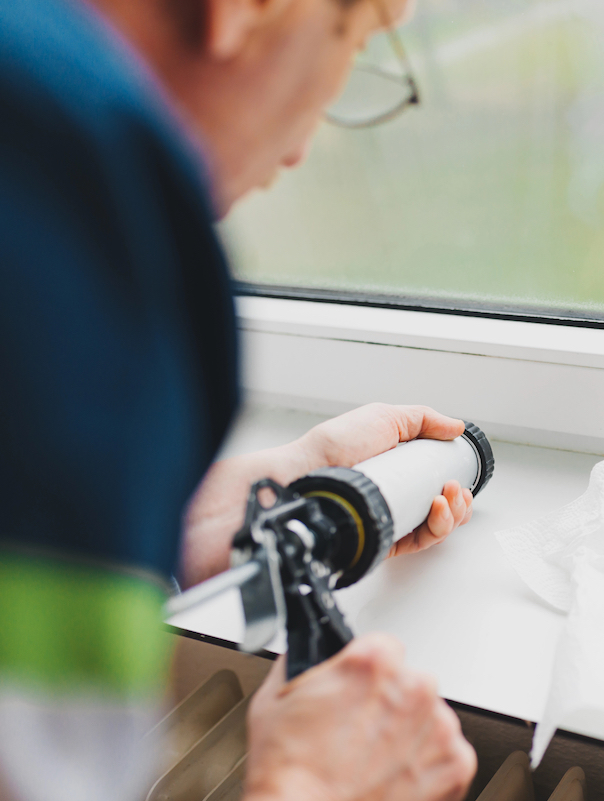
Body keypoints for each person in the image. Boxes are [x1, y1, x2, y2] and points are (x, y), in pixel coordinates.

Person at [0, 0, 478, 799]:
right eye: (353, 42)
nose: (304, 145)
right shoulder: (79, 205)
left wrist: (198, 515)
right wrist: (309, 785)